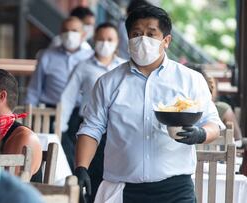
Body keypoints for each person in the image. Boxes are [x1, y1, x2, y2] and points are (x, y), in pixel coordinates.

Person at [74, 5, 224, 203]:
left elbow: (213, 122)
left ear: (166, 40)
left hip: (175, 189)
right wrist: (81, 168)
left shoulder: (190, 80)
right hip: (122, 188)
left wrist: (200, 134)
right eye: (136, 34)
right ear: (128, 40)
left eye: (151, 34)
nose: (143, 39)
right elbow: (91, 128)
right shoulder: (108, 82)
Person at [60, 22, 124, 177]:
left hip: (118, 129)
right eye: (101, 39)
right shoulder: (83, 66)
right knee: (90, 172)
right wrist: (60, 127)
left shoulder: (123, 67)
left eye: (110, 39)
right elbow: (68, 97)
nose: (105, 43)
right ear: (94, 39)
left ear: (117, 42)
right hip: (89, 127)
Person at [25, 16, 94, 107]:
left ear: (83, 35)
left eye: (74, 31)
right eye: (66, 30)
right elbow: (34, 88)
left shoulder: (91, 57)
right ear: (60, 34)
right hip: (51, 111)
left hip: (82, 111)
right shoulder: (46, 56)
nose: (69, 34)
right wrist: (27, 112)